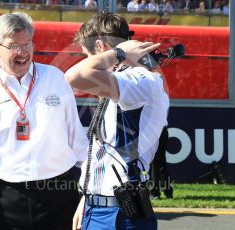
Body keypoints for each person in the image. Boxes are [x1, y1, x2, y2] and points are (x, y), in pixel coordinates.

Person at [0, 12, 88, 230]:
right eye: (14, 46)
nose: (23, 53)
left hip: (61, 195)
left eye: (28, 44)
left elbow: (78, 141)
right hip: (7, 200)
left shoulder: (55, 79)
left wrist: (89, 193)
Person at [65, 11, 169, 230]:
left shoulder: (142, 80)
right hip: (99, 206)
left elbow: (74, 77)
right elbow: (103, 152)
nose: (87, 62)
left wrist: (119, 52)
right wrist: (88, 196)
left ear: (102, 47)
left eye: (88, 55)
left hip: (121, 215)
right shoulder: (121, 84)